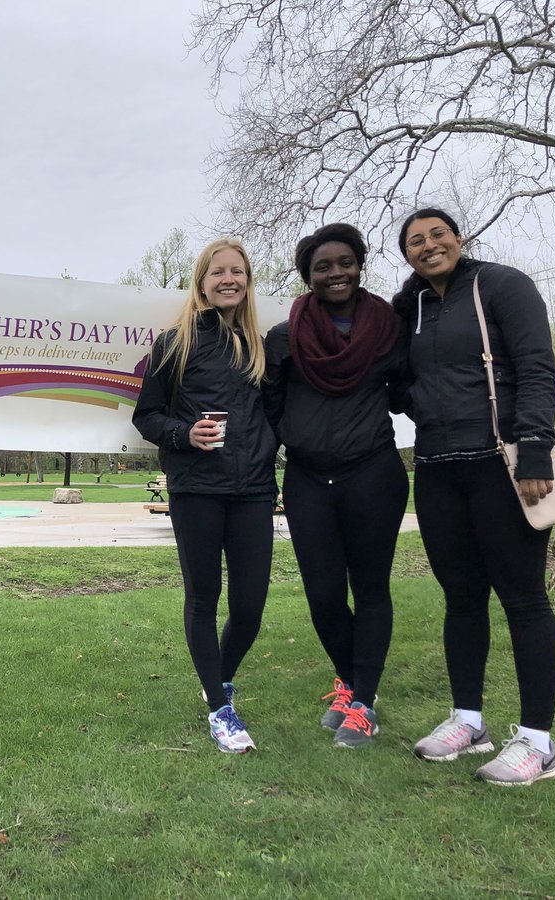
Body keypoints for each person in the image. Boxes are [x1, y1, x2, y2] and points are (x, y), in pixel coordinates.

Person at [393, 208, 555, 785]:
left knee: (523, 599)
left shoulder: (502, 285)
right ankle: (469, 721)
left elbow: (538, 366)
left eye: (438, 234)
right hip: (438, 468)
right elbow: (397, 375)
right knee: (462, 598)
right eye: (415, 241)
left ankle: (538, 744)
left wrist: (536, 449)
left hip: (504, 464)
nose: (428, 245)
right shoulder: (407, 306)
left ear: (459, 239)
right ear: (407, 255)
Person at [262, 224, 407, 749]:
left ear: (360, 264)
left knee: (370, 589)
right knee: (323, 594)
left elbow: (407, 391)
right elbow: (269, 406)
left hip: (372, 474)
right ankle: (353, 683)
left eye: (345, 262)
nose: (335, 273)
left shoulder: (388, 328)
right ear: (308, 276)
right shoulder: (285, 336)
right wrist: (293, 443)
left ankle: (362, 702)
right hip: (307, 479)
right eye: (322, 266)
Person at [132, 238, 278, 753]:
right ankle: (220, 708)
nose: (228, 279)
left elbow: (277, 418)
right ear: (201, 280)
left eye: (237, 272)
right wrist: (184, 434)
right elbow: (146, 416)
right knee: (204, 598)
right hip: (196, 489)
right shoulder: (175, 342)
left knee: (251, 606)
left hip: (255, 491)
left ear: (248, 281)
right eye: (218, 271)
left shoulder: (262, 346)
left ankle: (217, 678)